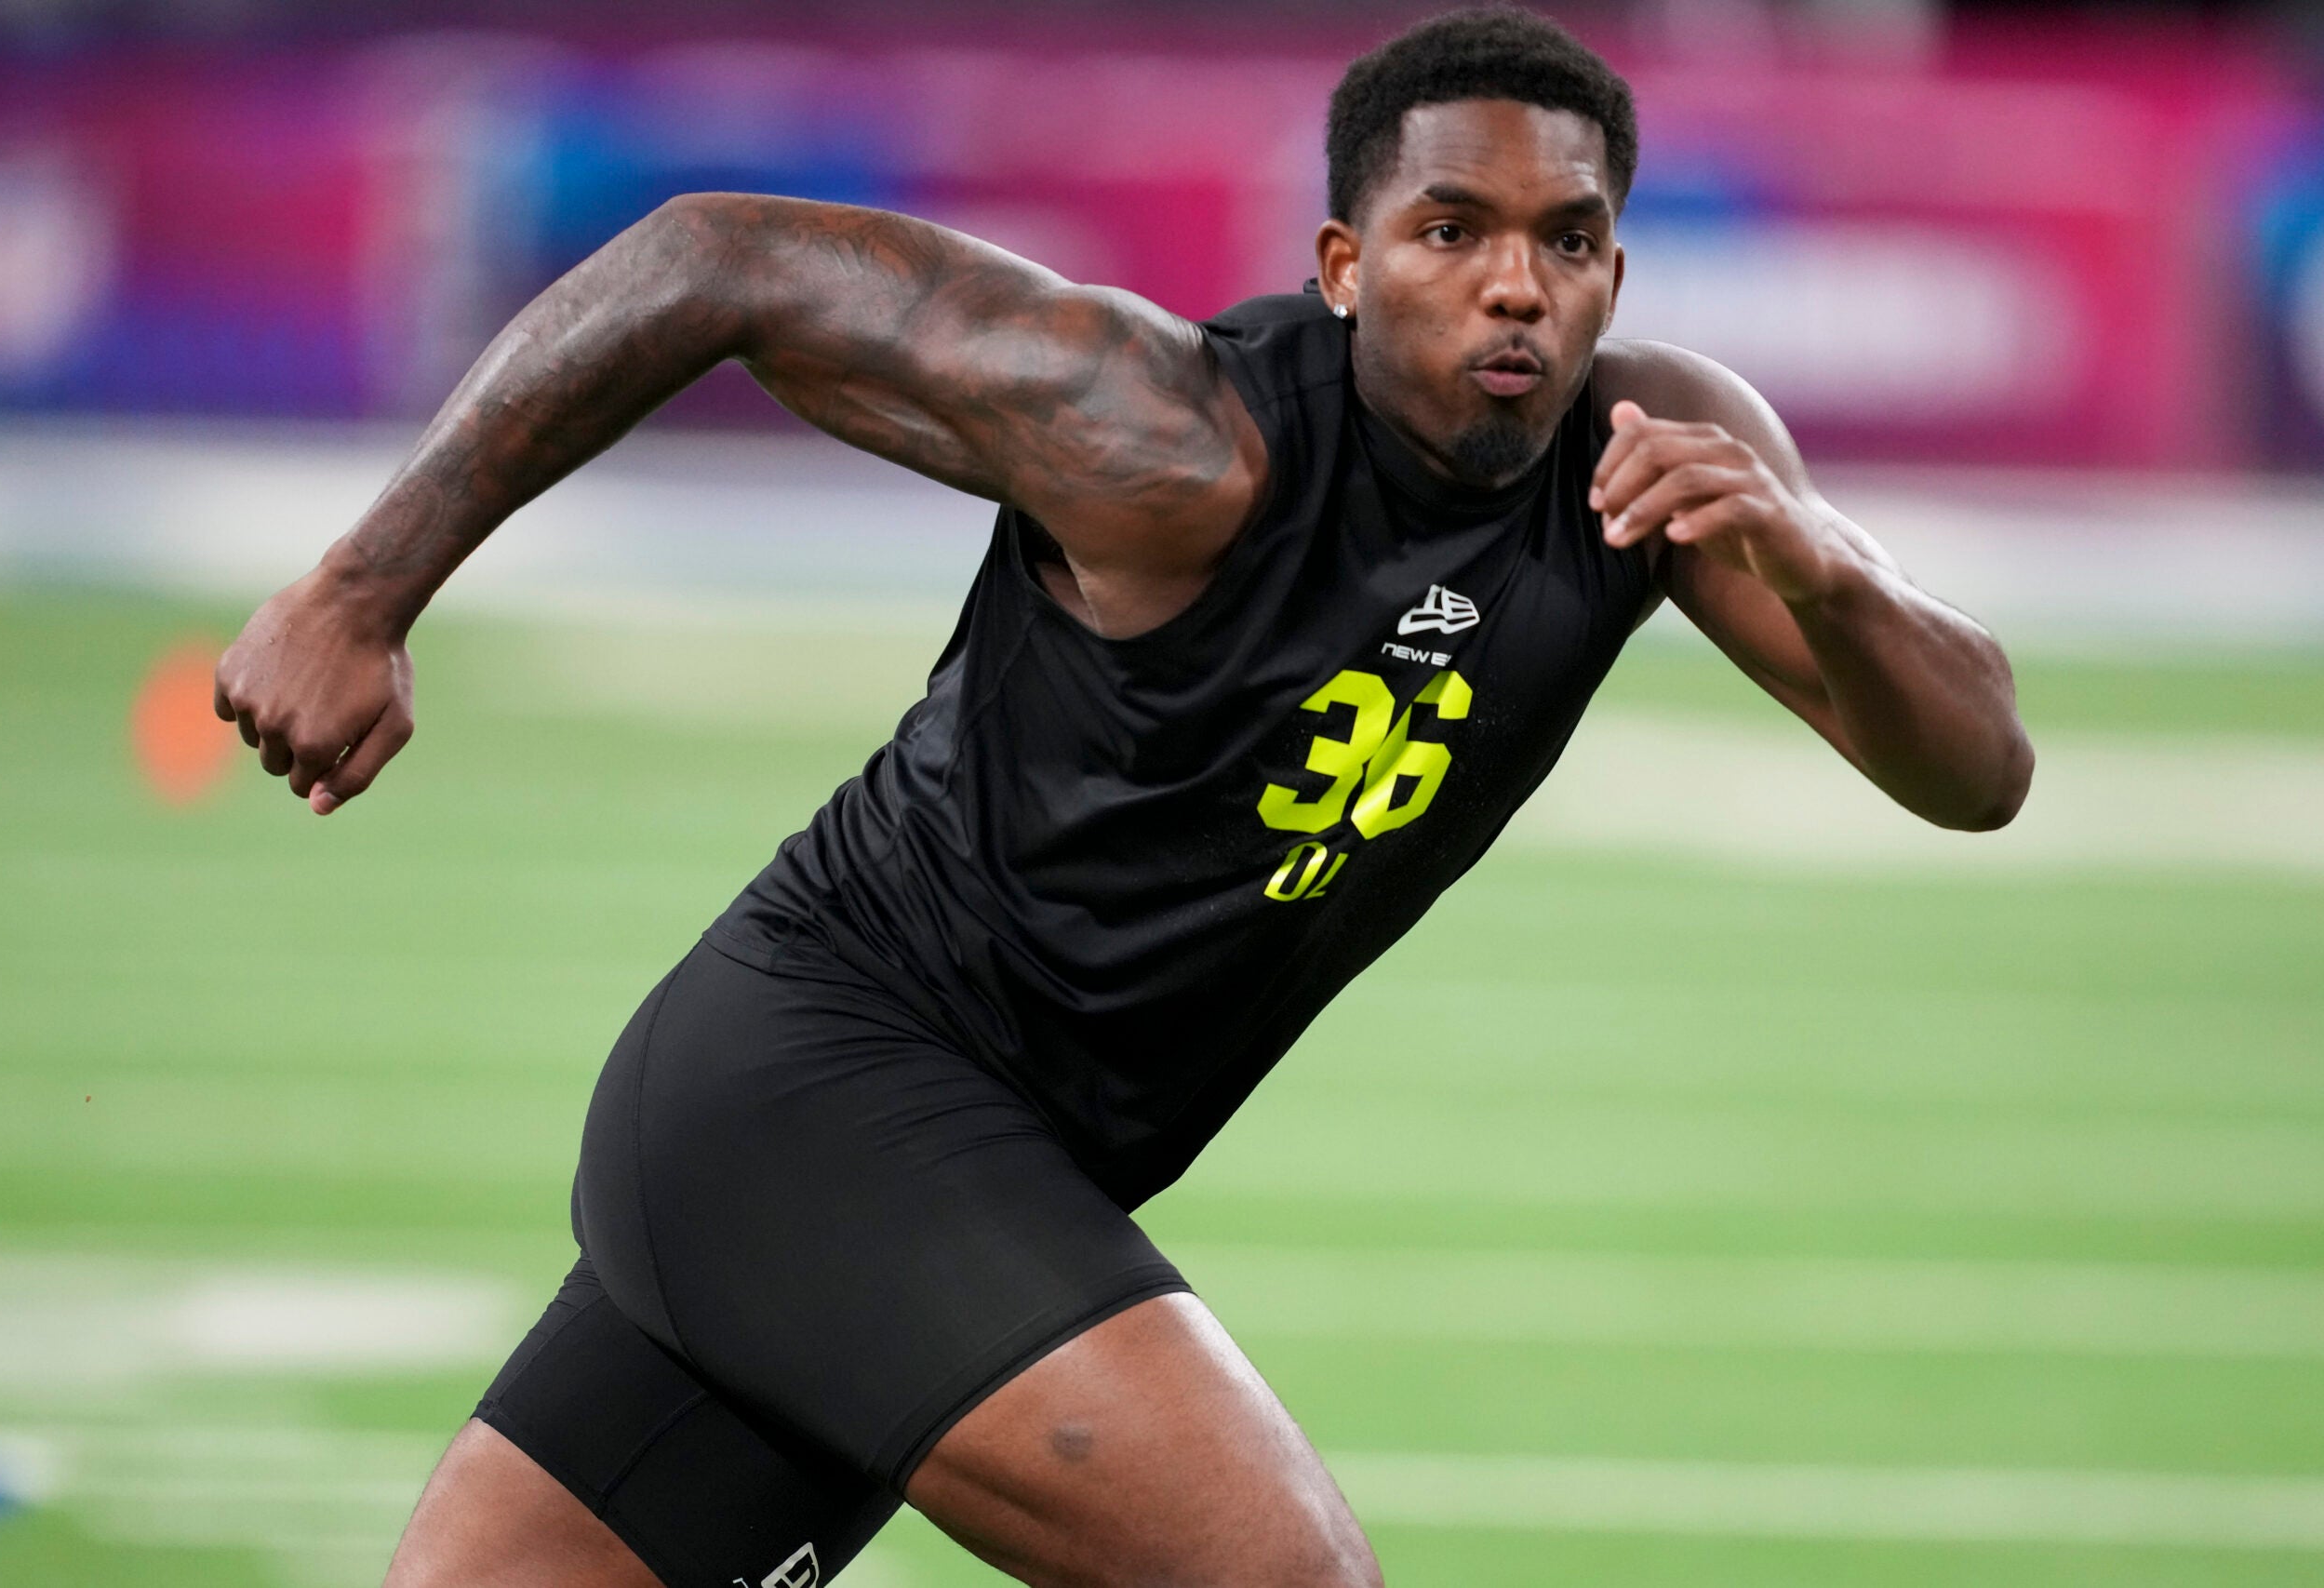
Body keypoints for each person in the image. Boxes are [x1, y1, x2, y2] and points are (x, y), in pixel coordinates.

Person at [214, 7, 2033, 1586]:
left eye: (1565, 240)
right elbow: (720, 256)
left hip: (956, 1176)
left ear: (1613, 276)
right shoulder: (1169, 434)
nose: (1511, 283)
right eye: (1448, 229)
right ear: (1339, 262)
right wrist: (362, 593)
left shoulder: (1649, 465)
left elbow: (1975, 774)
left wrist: (1827, 573)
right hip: (815, 1095)